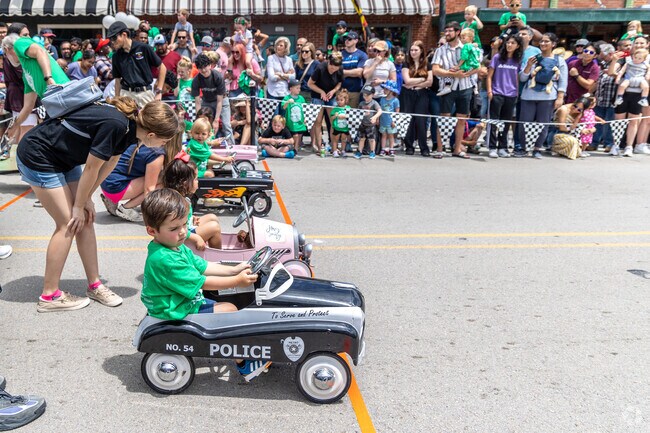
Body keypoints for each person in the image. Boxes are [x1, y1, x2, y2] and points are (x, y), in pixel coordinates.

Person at [16, 99, 180, 312]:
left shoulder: (130, 130)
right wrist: (78, 204)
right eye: (165, 140)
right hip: (38, 155)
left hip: (63, 157)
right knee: (68, 222)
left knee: (85, 217)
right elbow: (92, 168)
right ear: (151, 135)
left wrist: (87, 199)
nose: (164, 145)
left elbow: (110, 163)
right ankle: (50, 295)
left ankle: (94, 285)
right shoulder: (118, 125)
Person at [140, 188, 267, 379]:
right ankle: (244, 364)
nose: (183, 232)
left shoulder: (174, 247)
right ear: (152, 230)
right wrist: (237, 282)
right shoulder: (165, 259)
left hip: (180, 302)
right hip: (174, 309)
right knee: (231, 312)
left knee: (232, 304)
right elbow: (203, 283)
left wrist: (235, 269)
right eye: (174, 228)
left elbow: (203, 265)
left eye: (184, 224)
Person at [1, 33, 68, 142]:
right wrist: (13, 127)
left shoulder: (19, 43)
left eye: (5, 54)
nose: (6, 57)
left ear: (7, 49)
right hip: (56, 107)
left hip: (65, 96)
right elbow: (27, 107)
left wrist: (48, 78)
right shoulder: (26, 74)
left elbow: (40, 51)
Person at [100, 133, 179, 222]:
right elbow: (149, 189)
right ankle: (126, 208)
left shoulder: (139, 140)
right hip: (115, 188)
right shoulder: (157, 153)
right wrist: (152, 216)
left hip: (105, 182)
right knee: (164, 180)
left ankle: (112, 200)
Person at [432, 21, 480, 159]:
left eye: (450, 31)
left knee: (461, 120)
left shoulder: (468, 47)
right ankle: (440, 149)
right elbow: (435, 70)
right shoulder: (440, 50)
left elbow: (478, 67)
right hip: (447, 89)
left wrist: (465, 74)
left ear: (458, 32)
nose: (447, 34)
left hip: (465, 87)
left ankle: (457, 149)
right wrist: (453, 74)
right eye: (445, 31)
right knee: (444, 119)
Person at [518, 32, 567, 159]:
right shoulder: (533, 58)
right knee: (525, 123)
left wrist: (560, 97)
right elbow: (522, 78)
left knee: (543, 123)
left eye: (546, 41)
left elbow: (563, 80)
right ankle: (524, 147)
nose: (543, 44)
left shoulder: (559, 60)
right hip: (529, 95)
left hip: (548, 96)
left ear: (553, 44)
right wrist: (528, 66)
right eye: (541, 41)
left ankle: (537, 148)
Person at [162, 155, 224, 250]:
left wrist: (191, 218)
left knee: (212, 217)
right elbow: (175, 229)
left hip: (186, 229)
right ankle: (216, 255)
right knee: (214, 228)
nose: (198, 182)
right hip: (183, 236)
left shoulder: (180, 198)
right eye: (195, 179)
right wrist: (196, 238)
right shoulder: (177, 204)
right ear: (184, 183)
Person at [108, 21, 165, 108]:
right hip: (126, 95)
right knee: (126, 121)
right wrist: (117, 99)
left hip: (145, 94)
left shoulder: (144, 48)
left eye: (114, 38)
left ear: (124, 35)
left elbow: (162, 68)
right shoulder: (116, 56)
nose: (112, 42)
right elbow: (117, 81)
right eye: (110, 39)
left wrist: (159, 92)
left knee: (148, 121)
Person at [486, 34, 523, 158]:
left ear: (518, 46)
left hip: (511, 94)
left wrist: (516, 93)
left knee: (506, 122)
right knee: (494, 121)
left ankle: (502, 147)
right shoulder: (497, 57)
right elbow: (489, 76)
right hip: (497, 93)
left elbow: (517, 78)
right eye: (508, 42)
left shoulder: (518, 60)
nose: (509, 45)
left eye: (512, 43)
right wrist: (490, 91)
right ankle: (492, 147)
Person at [401, 41, 432, 157]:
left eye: (416, 50)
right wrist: (422, 80)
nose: (413, 52)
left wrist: (417, 84)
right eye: (411, 50)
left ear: (421, 51)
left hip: (422, 94)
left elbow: (430, 82)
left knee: (421, 120)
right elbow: (407, 81)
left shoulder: (427, 64)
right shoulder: (406, 64)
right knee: (409, 120)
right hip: (408, 94)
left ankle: (424, 147)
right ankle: (409, 146)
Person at [308, 52, 343, 154]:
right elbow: (310, 84)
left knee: (333, 120)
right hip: (317, 94)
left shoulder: (340, 69)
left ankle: (334, 146)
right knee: (318, 121)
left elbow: (339, 83)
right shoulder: (320, 68)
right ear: (329, 63)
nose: (333, 71)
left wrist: (333, 91)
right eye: (331, 69)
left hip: (330, 95)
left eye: (335, 70)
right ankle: (319, 147)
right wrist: (321, 91)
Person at [191, 54, 232, 142]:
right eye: (200, 68)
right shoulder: (196, 80)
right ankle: (206, 145)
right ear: (197, 69)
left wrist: (216, 119)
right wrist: (199, 118)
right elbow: (197, 102)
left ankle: (232, 146)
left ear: (210, 65)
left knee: (226, 125)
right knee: (204, 125)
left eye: (205, 67)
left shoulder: (217, 76)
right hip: (207, 101)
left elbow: (220, 100)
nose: (203, 70)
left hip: (221, 101)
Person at [592, 43, 617, 152]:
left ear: (610, 54)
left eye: (602, 54)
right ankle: (594, 143)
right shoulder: (602, 65)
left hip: (611, 100)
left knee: (609, 123)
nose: (600, 56)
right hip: (599, 99)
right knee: (596, 122)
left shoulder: (618, 64)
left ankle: (609, 143)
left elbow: (615, 76)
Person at [340, 31, 368, 108]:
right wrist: (351, 72)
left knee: (351, 117)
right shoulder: (340, 54)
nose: (347, 41)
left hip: (355, 91)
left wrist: (343, 72)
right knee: (338, 116)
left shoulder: (362, 55)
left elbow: (359, 72)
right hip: (340, 91)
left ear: (356, 40)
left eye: (349, 39)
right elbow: (335, 71)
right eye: (345, 39)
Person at [354, 84, 382, 159]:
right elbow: (358, 112)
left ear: (372, 95)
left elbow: (380, 111)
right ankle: (359, 151)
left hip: (371, 125)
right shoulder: (361, 103)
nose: (365, 97)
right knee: (361, 138)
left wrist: (375, 117)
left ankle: (372, 152)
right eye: (364, 95)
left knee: (372, 139)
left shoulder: (374, 103)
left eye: (367, 95)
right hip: (362, 124)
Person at [266, 37, 295, 103]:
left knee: (284, 113)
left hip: (285, 91)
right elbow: (272, 77)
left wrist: (280, 74)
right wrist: (287, 76)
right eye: (277, 45)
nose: (278, 47)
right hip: (273, 91)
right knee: (274, 113)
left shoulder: (289, 60)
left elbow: (293, 77)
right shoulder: (271, 58)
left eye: (281, 45)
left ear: (286, 47)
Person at [282, 79, 307, 151]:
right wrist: (287, 102)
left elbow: (304, 109)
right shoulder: (287, 98)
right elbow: (283, 107)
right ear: (291, 89)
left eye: (299, 88)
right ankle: (293, 147)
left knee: (299, 135)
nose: (299, 89)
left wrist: (305, 118)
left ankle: (296, 148)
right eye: (297, 88)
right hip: (291, 121)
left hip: (300, 121)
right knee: (294, 135)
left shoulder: (301, 98)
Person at [379, 80, 400, 156]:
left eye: (386, 89)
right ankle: (383, 149)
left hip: (391, 121)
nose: (384, 90)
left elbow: (397, 111)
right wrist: (378, 119)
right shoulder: (382, 99)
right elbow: (380, 110)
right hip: (383, 120)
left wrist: (395, 121)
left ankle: (391, 149)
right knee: (384, 135)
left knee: (391, 135)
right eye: (384, 88)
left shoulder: (395, 100)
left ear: (391, 91)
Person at [329, 89, 351, 157]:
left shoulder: (348, 108)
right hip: (337, 127)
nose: (339, 102)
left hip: (345, 128)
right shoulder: (335, 109)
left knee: (344, 139)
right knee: (335, 139)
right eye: (338, 100)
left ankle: (343, 150)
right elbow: (331, 118)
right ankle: (335, 151)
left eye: (341, 100)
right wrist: (335, 116)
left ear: (346, 100)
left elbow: (350, 116)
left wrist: (344, 116)